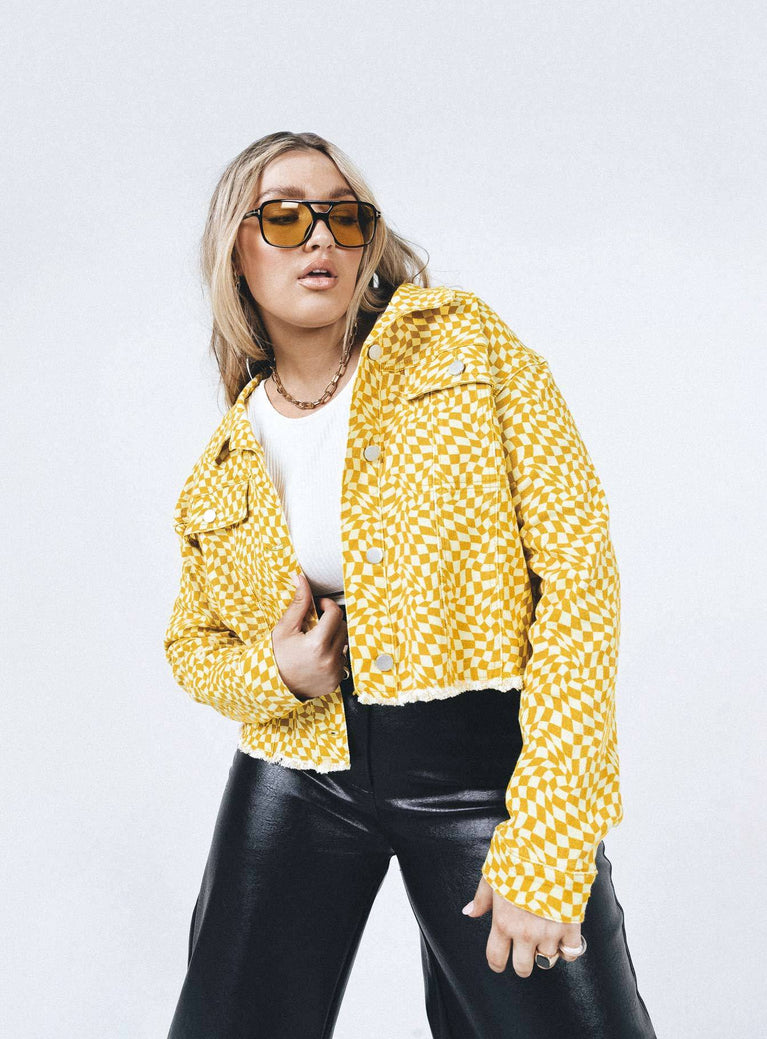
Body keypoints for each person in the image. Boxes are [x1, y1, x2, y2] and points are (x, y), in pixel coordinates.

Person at [163, 130, 657, 1038]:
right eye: (285, 217)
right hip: (298, 769)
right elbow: (190, 646)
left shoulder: (461, 343)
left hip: (480, 769)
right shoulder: (225, 460)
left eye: (343, 216)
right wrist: (280, 674)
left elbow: (579, 578)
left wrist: (548, 837)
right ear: (235, 252)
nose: (321, 236)